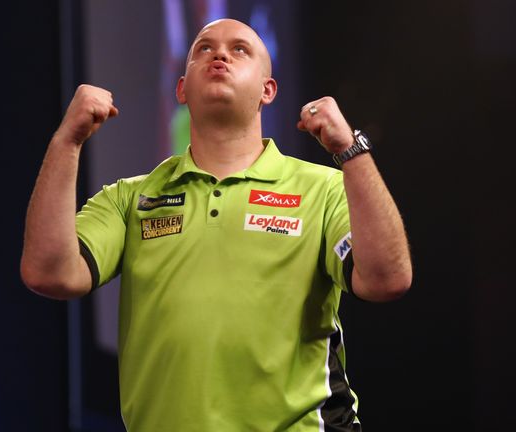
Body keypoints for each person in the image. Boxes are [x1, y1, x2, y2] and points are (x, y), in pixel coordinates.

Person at [21, 18, 412, 431]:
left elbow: (388, 279)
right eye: (204, 49)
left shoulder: (323, 189)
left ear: (268, 90)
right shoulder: (129, 198)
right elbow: (47, 272)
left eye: (240, 49)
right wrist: (67, 141)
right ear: (182, 89)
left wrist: (349, 150)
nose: (220, 55)